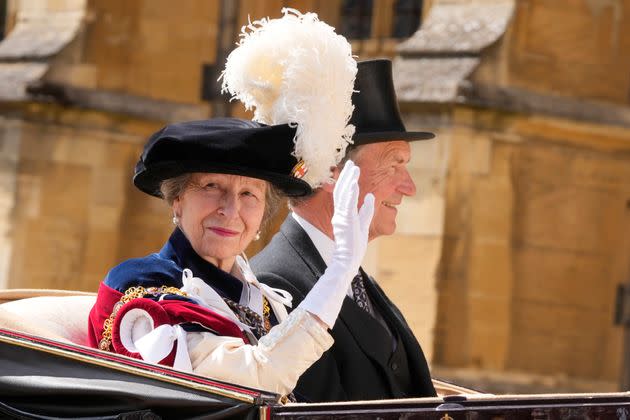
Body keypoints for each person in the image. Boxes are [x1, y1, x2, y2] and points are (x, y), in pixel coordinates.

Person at [87, 117, 375, 397]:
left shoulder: (263, 300)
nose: (231, 209)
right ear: (177, 200)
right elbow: (256, 380)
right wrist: (338, 272)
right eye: (212, 186)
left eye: (249, 193)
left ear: (263, 214)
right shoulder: (143, 289)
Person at [250, 59, 438, 402]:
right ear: (332, 172)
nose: (409, 186)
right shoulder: (275, 285)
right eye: (394, 164)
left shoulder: (358, 280)